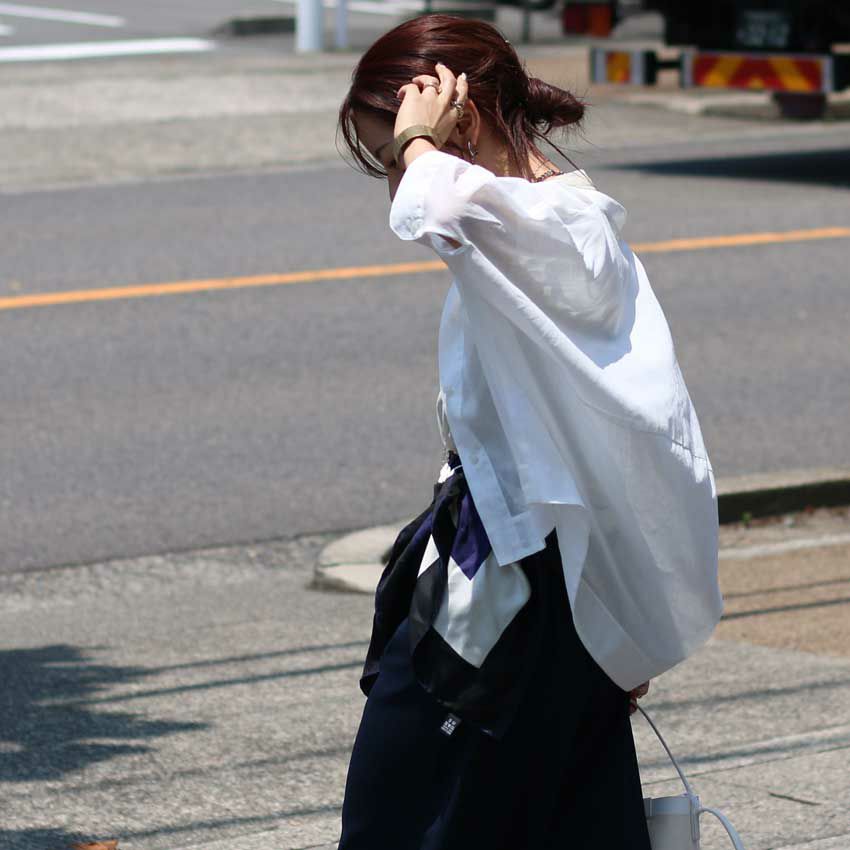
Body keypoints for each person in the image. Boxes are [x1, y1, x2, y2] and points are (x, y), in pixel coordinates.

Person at [335, 13, 723, 849]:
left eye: (392, 151)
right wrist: (622, 619)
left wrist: (420, 145)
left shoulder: (552, 231)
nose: (396, 176)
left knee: (405, 815)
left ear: (461, 117)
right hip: (550, 576)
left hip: (517, 584)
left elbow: (436, 204)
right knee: (558, 819)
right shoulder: (540, 226)